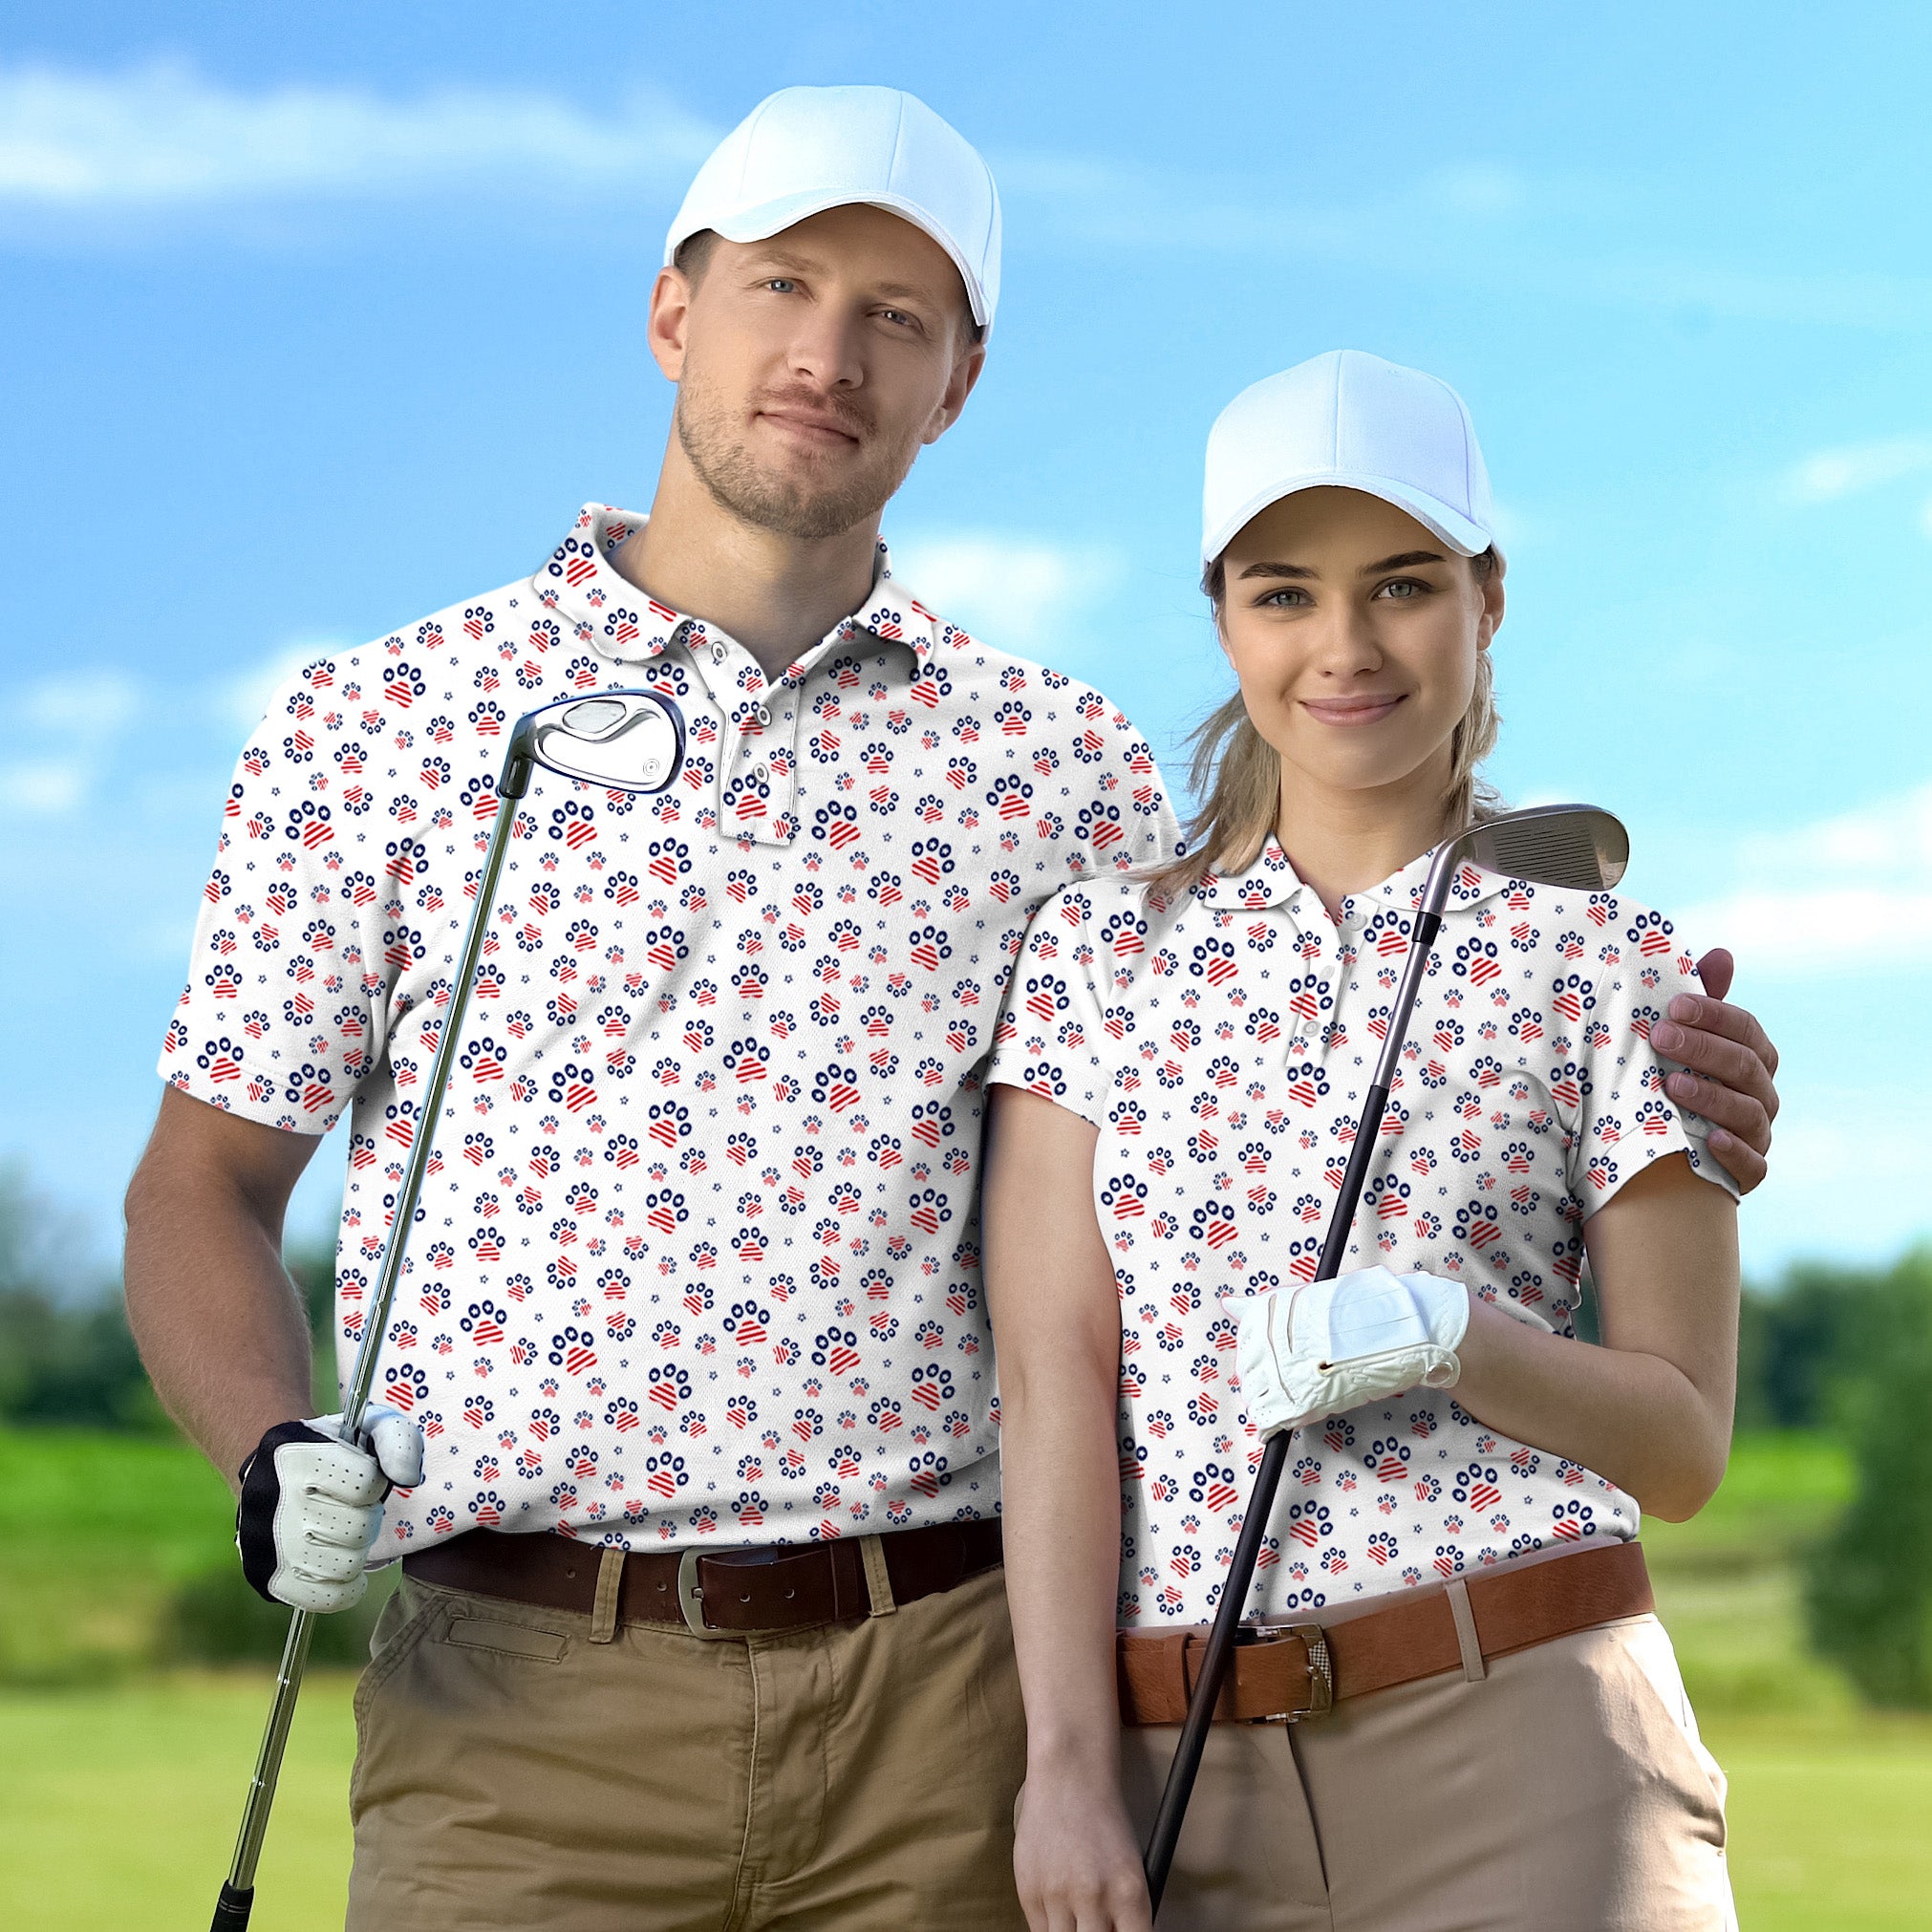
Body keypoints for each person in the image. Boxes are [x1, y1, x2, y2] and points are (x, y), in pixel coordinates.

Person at [118, 85, 1779, 1929]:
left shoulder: (1052, 761)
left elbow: (1291, 995)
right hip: (515, 1704)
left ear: (958, 379)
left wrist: (1644, 1047)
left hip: (945, 1701)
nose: (826, 355)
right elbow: (201, 1186)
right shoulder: (380, 724)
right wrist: (270, 1452)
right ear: (674, 311)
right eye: (781, 287)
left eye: (894, 317)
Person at [984, 351, 1750, 1930]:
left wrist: (1448, 1335)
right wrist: (1063, 1762)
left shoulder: (1607, 956)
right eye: (1283, 594)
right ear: (1220, 618)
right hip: (1183, 1769)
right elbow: (1052, 1375)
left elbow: (1679, 1447)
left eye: (1400, 584)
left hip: (1529, 1731)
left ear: (1484, 600)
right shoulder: (1095, 955)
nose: (1342, 647)